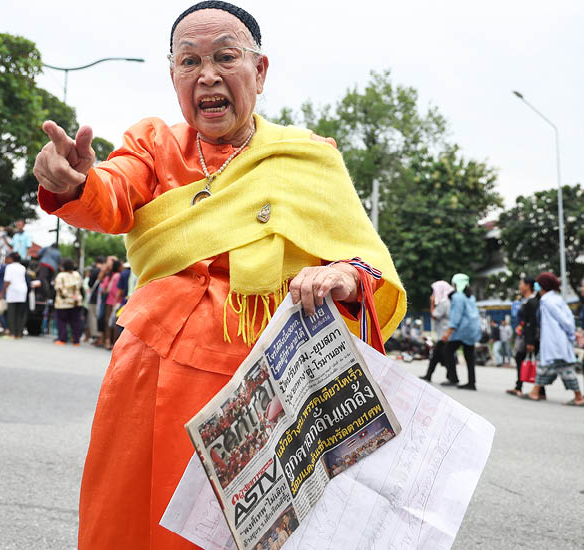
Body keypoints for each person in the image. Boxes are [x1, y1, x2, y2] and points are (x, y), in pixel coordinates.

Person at [31, 3, 406, 547]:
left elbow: (364, 261)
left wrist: (344, 278)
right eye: (189, 61)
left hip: (271, 375)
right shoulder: (154, 144)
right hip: (153, 366)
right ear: (173, 76)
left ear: (260, 71)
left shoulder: (309, 157)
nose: (207, 74)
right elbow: (110, 196)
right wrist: (73, 182)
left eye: (225, 57)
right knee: (132, 518)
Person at [520, 272, 584, 405]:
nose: (536, 286)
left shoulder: (549, 302)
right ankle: (535, 391)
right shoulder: (553, 299)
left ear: (543, 286)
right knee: (543, 365)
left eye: (538, 284)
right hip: (553, 342)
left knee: (565, 369)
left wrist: (571, 334)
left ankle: (578, 397)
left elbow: (565, 321)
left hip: (555, 342)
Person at [442, 273, 481, 390]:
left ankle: (453, 378)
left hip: (462, 330)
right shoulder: (470, 296)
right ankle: (471, 382)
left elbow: (456, 316)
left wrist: (448, 332)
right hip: (472, 330)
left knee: (448, 350)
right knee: (469, 356)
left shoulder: (458, 297)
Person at [507, 277, 542, 398]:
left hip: (529, 337)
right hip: (525, 336)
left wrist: (530, 341)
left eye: (521, 283)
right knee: (523, 359)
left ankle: (521, 387)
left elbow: (531, 323)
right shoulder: (525, 301)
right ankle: (535, 389)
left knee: (521, 359)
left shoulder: (532, 302)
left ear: (528, 286)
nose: (520, 286)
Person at [421, 280, 455, 383]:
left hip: (444, 335)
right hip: (445, 334)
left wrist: (432, 303)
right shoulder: (449, 302)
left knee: (443, 357)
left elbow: (434, 315)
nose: (433, 294)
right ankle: (430, 375)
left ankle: (452, 378)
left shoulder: (444, 303)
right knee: (437, 356)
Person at [54, 258, 84, 346]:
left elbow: (59, 288)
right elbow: (80, 286)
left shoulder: (61, 275)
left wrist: (66, 296)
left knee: (62, 321)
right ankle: (76, 340)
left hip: (63, 303)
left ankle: (62, 339)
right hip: (76, 301)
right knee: (75, 322)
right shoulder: (77, 274)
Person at [0, 252, 28, 340]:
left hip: (13, 291)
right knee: (19, 314)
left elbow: (7, 281)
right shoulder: (23, 267)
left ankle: (12, 333)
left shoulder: (9, 267)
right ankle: (18, 334)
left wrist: (2, 292)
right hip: (22, 291)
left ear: (11, 259)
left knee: (11, 313)